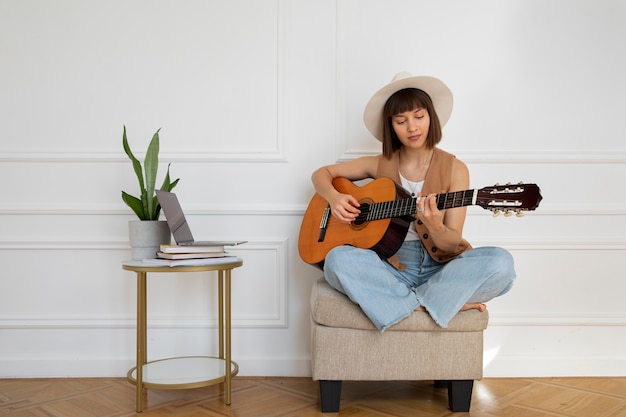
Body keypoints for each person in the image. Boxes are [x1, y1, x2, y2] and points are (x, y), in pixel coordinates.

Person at [311, 72, 516, 332]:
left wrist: (436, 227)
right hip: (389, 267)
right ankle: (433, 302)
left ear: (431, 116)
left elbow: (452, 242)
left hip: (440, 268)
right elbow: (321, 174)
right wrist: (335, 197)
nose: (412, 127)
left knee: (502, 263)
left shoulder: (455, 169)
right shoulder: (378, 163)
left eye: (419, 116)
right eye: (401, 120)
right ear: (391, 126)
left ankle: (405, 301)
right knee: (336, 261)